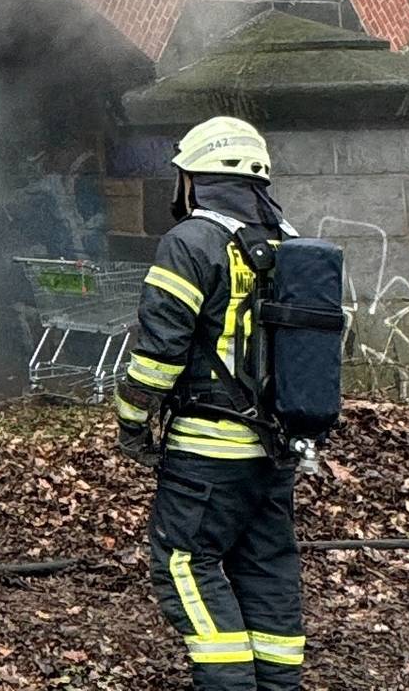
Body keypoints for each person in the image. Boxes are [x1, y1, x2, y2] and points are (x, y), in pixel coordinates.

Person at [114, 115, 306, 690]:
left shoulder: (191, 243)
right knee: (265, 564)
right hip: (276, 451)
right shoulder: (291, 244)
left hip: (207, 452)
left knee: (186, 565)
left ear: (195, 179)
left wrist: (132, 421)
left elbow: (158, 355)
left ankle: (227, 684)